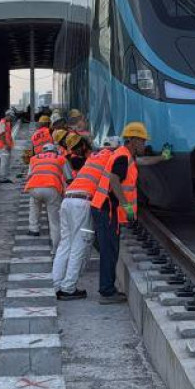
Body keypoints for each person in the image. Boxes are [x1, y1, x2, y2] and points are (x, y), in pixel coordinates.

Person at [51, 143, 119, 300]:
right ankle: (68, 288)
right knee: (80, 244)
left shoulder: (93, 158)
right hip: (83, 204)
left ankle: (55, 284)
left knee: (65, 244)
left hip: (67, 201)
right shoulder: (112, 157)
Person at [92, 122, 145, 304]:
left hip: (104, 209)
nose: (144, 144)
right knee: (109, 251)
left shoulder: (126, 155)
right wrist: (127, 207)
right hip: (107, 210)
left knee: (109, 249)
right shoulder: (123, 157)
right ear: (133, 140)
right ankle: (107, 292)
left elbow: (144, 162)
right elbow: (114, 181)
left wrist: (163, 157)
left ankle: (108, 288)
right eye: (142, 141)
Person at [25, 141, 69, 248]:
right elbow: (69, 177)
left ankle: (33, 228)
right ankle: (56, 246)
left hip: (34, 187)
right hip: (52, 188)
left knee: (34, 202)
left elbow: (29, 176)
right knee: (54, 219)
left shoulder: (34, 158)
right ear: (55, 151)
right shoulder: (61, 158)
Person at [0, 110, 16, 183]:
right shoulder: (2, 123)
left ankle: (5, 176)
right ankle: (2, 178)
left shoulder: (7, 123)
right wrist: (6, 145)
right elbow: (2, 135)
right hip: (4, 145)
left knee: (6, 161)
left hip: (7, 145)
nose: (11, 119)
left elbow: (8, 135)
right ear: (7, 115)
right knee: (4, 161)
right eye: (11, 117)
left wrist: (9, 145)